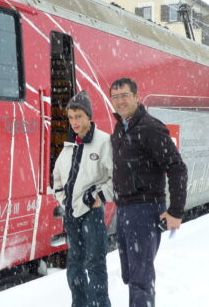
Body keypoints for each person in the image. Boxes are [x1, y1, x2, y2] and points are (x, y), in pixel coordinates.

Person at [109, 77, 187, 307]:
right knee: (130, 274)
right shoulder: (120, 128)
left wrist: (175, 211)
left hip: (145, 209)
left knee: (140, 277)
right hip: (124, 209)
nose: (120, 101)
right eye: (115, 97)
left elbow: (177, 168)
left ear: (136, 96)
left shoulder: (150, 128)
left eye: (124, 96)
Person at [52, 90, 113, 307]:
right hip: (71, 213)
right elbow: (57, 177)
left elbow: (118, 177)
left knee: (95, 264)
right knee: (75, 266)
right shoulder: (70, 144)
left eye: (78, 116)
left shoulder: (104, 141)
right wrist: (63, 199)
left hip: (92, 213)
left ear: (88, 116)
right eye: (70, 117)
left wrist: (99, 197)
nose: (74, 122)